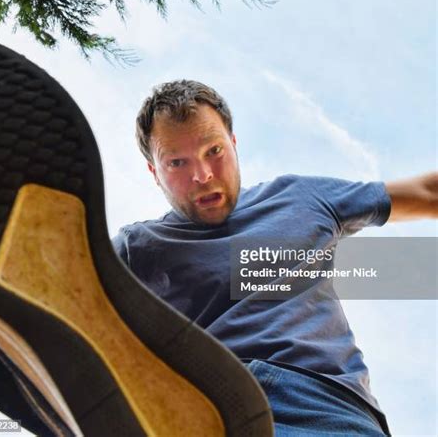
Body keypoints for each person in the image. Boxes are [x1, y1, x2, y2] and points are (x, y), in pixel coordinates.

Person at [112, 79, 437, 436]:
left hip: (319, 405)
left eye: (214, 151)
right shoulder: (138, 246)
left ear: (234, 145)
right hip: (200, 408)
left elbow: (425, 192)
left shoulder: (300, 198)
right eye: (177, 162)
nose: (201, 175)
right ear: (154, 173)